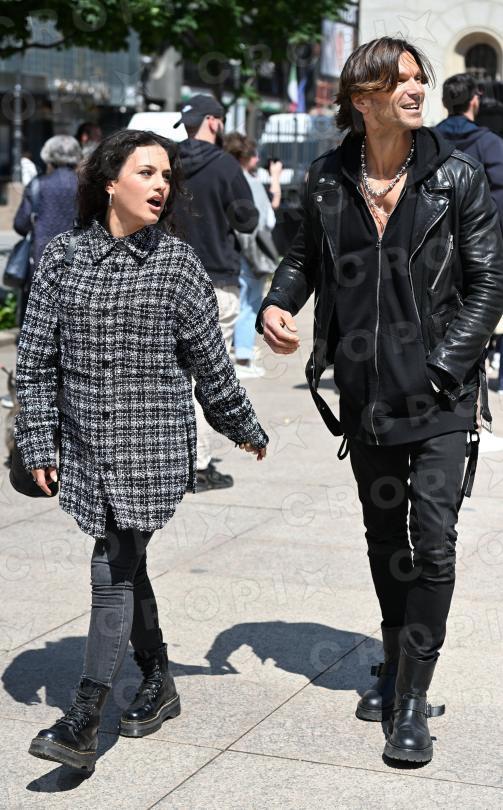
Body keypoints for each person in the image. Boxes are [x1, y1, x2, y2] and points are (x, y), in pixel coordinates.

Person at [258, 37, 503, 764]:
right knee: (384, 539)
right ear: (362, 99)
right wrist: (277, 303)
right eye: (399, 81)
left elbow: (489, 283)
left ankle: (412, 699)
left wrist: (442, 370)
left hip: (440, 395)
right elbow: (301, 257)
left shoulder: (456, 176)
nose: (416, 88)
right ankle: (394, 664)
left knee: (433, 541)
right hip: (365, 394)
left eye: (419, 77)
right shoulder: (327, 178)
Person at [15, 128, 268, 773]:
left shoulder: (178, 264)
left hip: (151, 450)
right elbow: (36, 364)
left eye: (166, 176)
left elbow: (210, 364)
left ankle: (83, 718)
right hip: (84, 449)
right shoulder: (63, 258)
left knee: (112, 569)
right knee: (128, 565)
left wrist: (242, 425)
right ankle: (158, 677)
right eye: (146, 172)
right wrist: (38, 439)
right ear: (110, 181)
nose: (161, 185)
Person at [173, 94, 259, 491]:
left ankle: (172, 455)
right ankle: (198, 463)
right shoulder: (225, 165)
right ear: (214, 121)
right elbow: (247, 220)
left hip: (168, 277)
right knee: (208, 374)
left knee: (172, 371)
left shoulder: (167, 161)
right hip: (215, 278)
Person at [224, 132, 282, 378]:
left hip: (227, 250)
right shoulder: (251, 182)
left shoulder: (223, 178)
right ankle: (244, 357)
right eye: (253, 154)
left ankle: (235, 354)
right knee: (249, 304)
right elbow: (268, 219)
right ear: (244, 156)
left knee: (232, 304)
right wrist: (275, 178)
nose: (257, 159)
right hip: (251, 252)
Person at [14, 134, 82, 327]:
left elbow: (20, 224)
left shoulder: (37, 185)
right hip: (78, 264)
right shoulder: (86, 187)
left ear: (48, 156)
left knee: (36, 326)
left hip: (40, 262)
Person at [435, 73, 503, 227]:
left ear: (444, 102)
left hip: (435, 232)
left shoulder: (426, 141)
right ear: (474, 101)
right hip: (480, 231)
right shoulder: (491, 144)